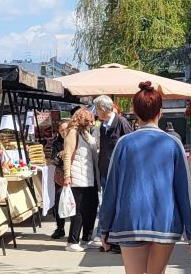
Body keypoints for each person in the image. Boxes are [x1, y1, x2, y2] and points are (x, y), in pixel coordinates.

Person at [98, 81, 191, 274]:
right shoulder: (172, 144)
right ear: (160, 110)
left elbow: (112, 189)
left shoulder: (124, 144)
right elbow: (184, 189)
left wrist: (103, 229)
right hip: (165, 222)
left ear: (134, 111)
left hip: (130, 220)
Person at [94, 95, 133, 250]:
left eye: (97, 109)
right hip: (106, 171)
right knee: (108, 205)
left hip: (119, 173)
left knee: (117, 206)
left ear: (103, 109)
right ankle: (107, 239)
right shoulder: (103, 125)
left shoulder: (122, 123)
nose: (96, 112)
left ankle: (115, 240)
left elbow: (131, 147)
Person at [61, 107, 100, 252]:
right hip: (77, 177)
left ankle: (86, 238)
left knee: (90, 208)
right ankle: (72, 241)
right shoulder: (73, 133)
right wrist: (67, 175)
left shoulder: (86, 133)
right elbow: (67, 154)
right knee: (78, 211)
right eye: (89, 120)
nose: (92, 122)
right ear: (82, 119)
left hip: (90, 178)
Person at [49, 120, 69, 239]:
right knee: (58, 202)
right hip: (60, 176)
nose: (63, 132)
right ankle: (60, 228)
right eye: (61, 130)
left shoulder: (76, 140)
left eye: (65, 129)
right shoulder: (57, 143)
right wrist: (58, 155)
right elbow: (53, 160)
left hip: (74, 176)